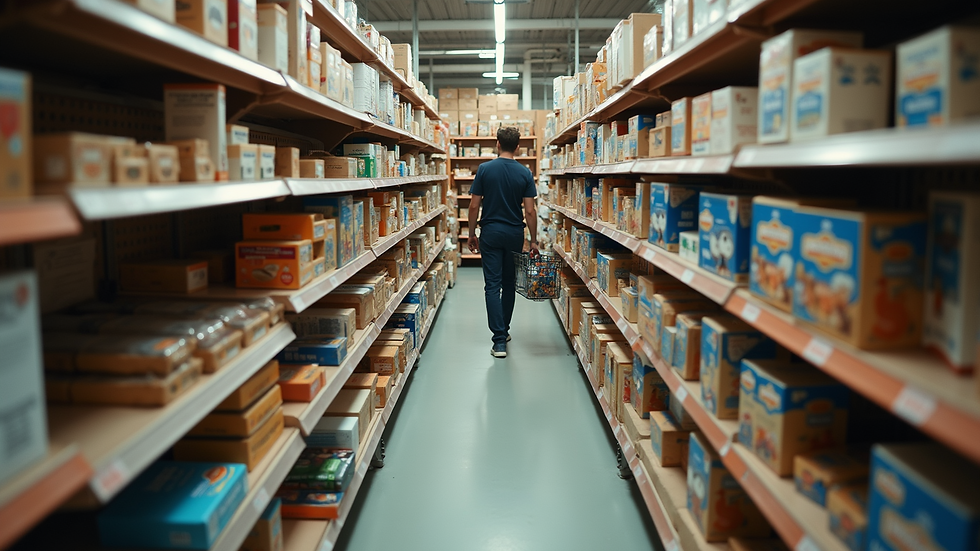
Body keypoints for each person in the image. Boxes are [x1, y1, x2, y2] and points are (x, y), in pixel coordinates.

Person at [467, 126, 539, 359]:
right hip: (514, 234)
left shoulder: (485, 169)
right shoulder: (525, 173)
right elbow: (529, 211)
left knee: (492, 285)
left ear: (497, 144)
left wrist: (471, 233)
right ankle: (504, 331)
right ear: (518, 147)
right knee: (509, 284)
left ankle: (499, 341)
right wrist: (534, 240)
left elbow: (474, 206)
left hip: (490, 233)